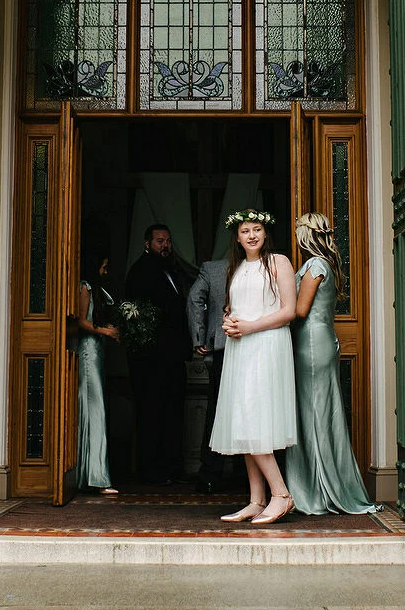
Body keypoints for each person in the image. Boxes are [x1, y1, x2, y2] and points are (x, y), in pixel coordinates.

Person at [286, 212, 379, 515]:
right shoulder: (325, 264)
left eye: (299, 230)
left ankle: (317, 490)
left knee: (314, 413)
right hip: (320, 340)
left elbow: (300, 310)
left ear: (306, 234)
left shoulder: (314, 265)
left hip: (311, 343)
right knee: (318, 412)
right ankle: (316, 484)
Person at [209, 209, 298, 525]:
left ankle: (282, 495)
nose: (251, 235)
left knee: (255, 417)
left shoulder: (278, 262)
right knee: (244, 419)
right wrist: (229, 322)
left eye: (257, 229)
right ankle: (256, 500)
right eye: (245, 231)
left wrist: (250, 327)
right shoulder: (236, 268)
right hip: (241, 348)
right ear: (237, 236)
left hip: (266, 347)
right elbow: (235, 308)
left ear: (265, 232)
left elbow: (289, 311)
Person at [123, 223, 191, 484]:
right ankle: (152, 470)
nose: (165, 246)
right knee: (153, 413)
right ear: (147, 243)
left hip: (171, 357)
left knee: (172, 412)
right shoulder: (141, 271)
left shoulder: (170, 269)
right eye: (160, 241)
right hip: (151, 360)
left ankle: (171, 467)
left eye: (168, 241)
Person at [74, 253, 121, 495]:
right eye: (103, 266)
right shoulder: (86, 286)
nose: (105, 271)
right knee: (95, 408)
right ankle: (96, 476)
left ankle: (90, 472)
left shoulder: (97, 288)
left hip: (97, 352)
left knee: (96, 407)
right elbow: (81, 321)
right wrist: (105, 331)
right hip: (87, 352)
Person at [187, 256, 231, 493]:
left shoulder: (213, 269)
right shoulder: (268, 264)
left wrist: (200, 336)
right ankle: (249, 475)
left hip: (222, 346)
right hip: (244, 346)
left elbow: (195, 299)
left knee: (217, 411)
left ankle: (210, 474)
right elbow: (195, 299)